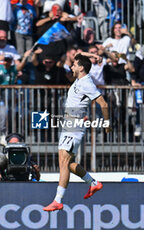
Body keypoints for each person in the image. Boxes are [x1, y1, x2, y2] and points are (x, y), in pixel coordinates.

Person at [43, 53, 111, 212]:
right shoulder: (80, 80)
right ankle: (93, 183)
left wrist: (107, 123)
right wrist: (93, 55)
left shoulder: (87, 83)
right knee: (67, 163)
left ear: (81, 68)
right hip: (69, 124)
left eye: (74, 65)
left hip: (74, 125)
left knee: (64, 163)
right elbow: (78, 54)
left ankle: (58, 200)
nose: (71, 67)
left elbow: (103, 103)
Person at [0, 49, 31, 144]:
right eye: (5, 60)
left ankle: (11, 136)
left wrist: (25, 57)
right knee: (3, 115)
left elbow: (20, 67)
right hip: (0, 95)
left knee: (12, 115)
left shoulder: (13, 69)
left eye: (9, 60)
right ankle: (2, 135)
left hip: (11, 96)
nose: (7, 62)